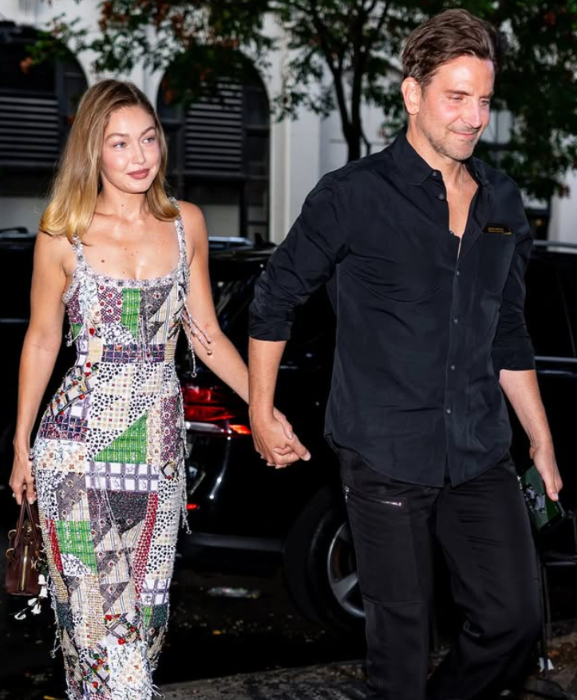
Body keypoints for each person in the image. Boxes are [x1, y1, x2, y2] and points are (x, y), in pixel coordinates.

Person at [248, 9, 563, 700]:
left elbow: (508, 330)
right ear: (411, 93)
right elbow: (274, 297)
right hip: (384, 449)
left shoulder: (503, 201)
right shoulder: (352, 196)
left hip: (478, 447)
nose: (474, 117)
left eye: (484, 100)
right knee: (402, 646)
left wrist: (540, 441)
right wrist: (262, 408)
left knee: (513, 622)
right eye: (457, 97)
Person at [9, 79, 291, 700]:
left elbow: (206, 336)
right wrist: (21, 443)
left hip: (158, 453)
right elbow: (42, 339)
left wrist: (263, 410)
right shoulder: (62, 233)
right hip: (74, 454)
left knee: (138, 631)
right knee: (105, 641)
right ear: (93, 151)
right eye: (119, 143)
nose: (138, 156)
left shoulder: (186, 224)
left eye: (147, 138)